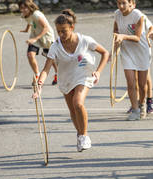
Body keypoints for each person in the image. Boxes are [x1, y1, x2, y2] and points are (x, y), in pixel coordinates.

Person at [33, 9, 109, 152]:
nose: (61, 35)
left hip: (84, 76)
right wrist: (39, 85)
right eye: (58, 31)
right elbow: (46, 69)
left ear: (72, 28)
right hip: (66, 80)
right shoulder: (56, 46)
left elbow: (105, 53)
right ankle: (80, 135)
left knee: (78, 103)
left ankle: (85, 135)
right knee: (73, 111)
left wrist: (98, 72)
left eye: (64, 31)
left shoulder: (85, 40)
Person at [113, 0, 153, 120]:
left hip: (141, 51)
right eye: (118, 3)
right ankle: (135, 110)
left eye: (124, 3)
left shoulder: (138, 15)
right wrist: (113, 50)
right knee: (130, 83)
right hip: (127, 52)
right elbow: (115, 31)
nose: (121, 6)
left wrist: (123, 36)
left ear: (131, 3)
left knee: (141, 84)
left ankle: (142, 104)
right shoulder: (117, 14)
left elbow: (137, 37)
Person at [126, 0, 153, 114]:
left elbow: (152, 27)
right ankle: (137, 103)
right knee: (134, 79)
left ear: (133, 4)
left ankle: (149, 100)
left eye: (132, 4)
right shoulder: (122, 16)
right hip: (131, 50)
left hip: (143, 49)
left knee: (145, 77)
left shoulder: (140, 16)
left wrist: (148, 35)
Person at [19, 0, 58, 85]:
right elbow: (30, 21)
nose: (22, 10)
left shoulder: (37, 14)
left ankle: (57, 73)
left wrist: (35, 39)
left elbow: (46, 28)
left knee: (50, 57)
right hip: (35, 34)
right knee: (30, 55)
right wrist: (26, 29)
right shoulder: (26, 15)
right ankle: (37, 74)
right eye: (21, 8)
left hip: (46, 36)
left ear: (29, 7)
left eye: (24, 8)